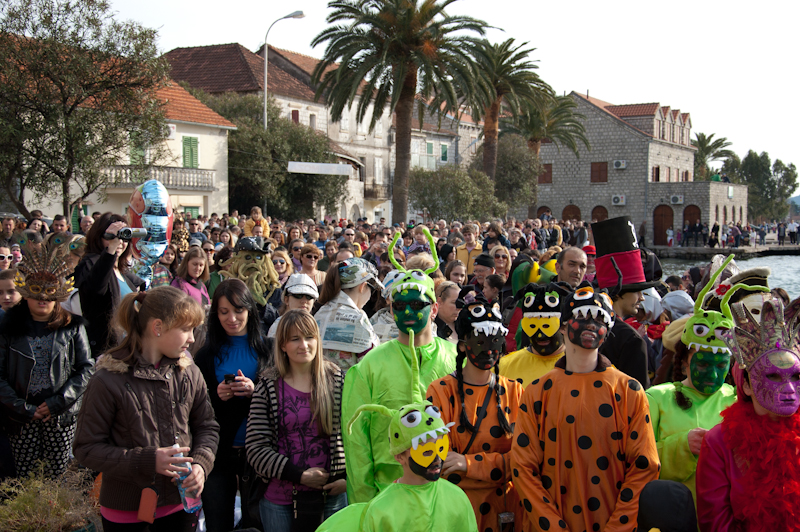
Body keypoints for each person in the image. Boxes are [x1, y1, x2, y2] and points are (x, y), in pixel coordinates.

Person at [510, 281, 660, 532]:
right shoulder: (537, 392)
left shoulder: (629, 390)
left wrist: (617, 528)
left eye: (599, 319)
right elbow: (523, 468)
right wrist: (553, 527)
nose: (591, 325)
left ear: (608, 329)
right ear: (564, 325)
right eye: (583, 316)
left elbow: (644, 466)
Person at [73, 287, 218, 532]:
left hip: (181, 507)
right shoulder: (107, 380)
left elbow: (207, 427)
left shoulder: (189, 373)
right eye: (185, 329)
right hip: (127, 512)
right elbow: (86, 448)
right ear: (157, 327)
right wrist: (147, 460)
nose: (192, 339)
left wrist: (201, 464)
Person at [342, 228, 457, 503]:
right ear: (391, 309)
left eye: (417, 304)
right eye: (400, 304)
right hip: (386, 499)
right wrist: (365, 506)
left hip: (445, 497)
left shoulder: (455, 359)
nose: (408, 311)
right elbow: (356, 442)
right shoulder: (369, 366)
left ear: (434, 309)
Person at [696, 296, 800, 531]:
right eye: (773, 376)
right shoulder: (719, 442)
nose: (789, 388)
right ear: (746, 385)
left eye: (797, 376)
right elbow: (716, 523)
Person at [646, 259, 738, 515]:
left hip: (724, 518)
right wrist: (683, 445)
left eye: (721, 365)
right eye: (704, 364)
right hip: (672, 516)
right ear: (685, 362)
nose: (713, 374)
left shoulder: (738, 401)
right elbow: (637, 460)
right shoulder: (656, 398)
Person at [0, 237, 93, 478]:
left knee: (57, 478)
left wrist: (57, 402)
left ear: (59, 294)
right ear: (25, 292)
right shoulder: (7, 328)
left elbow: (85, 369)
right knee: (25, 480)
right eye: (36, 290)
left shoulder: (73, 327)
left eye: (50, 291)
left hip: (60, 417)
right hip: (20, 419)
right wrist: (22, 408)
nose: (43, 298)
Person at [427, 296, 523, 531]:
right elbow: (440, 459)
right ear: (462, 345)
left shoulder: (515, 391)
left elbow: (523, 459)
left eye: (495, 340)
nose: (488, 349)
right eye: (480, 340)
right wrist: (496, 464)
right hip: (456, 508)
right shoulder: (441, 391)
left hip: (503, 510)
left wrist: (467, 463)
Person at [246, 310, 347, 530]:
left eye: (309, 337)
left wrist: (347, 479)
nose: (304, 345)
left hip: (332, 496)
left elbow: (356, 435)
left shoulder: (338, 380)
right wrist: (299, 475)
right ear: (283, 345)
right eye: (295, 339)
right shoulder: (267, 386)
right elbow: (255, 448)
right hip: (280, 500)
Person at [321, 400, 478, 532]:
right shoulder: (381, 510)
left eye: (441, 448)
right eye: (426, 452)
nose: (437, 459)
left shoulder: (458, 498)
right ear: (399, 456)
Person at [194, 279, 271, 531]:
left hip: (258, 453)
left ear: (249, 310)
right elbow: (196, 407)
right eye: (224, 312)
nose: (232, 319)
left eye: (238, 310)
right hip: (218, 453)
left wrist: (255, 391)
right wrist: (216, 394)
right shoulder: (206, 355)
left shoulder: (268, 350)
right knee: (218, 523)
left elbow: (281, 398)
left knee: (256, 524)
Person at [593, 216, 656, 388]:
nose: (642, 298)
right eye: (637, 291)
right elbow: (639, 395)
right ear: (619, 292)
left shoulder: (581, 324)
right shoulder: (631, 340)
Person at [74, 213, 144, 357]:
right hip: (105, 350)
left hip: (129, 348)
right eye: (110, 236)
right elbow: (95, 288)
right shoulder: (90, 264)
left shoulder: (125, 274)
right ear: (98, 237)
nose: (119, 242)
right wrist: (110, 250)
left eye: (124, 237)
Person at [315, 258, 382, 372]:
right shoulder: (359, 319)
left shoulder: (320, 312)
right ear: (362, 286)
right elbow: (373, 366)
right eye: (372, 290)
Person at [500, 283, 572, 389]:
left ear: (563, 326)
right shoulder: (505, 366)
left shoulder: (578, 367)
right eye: (532, 326)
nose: (540, 335)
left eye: (547, 326)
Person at [268, 273, 319, 338]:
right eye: (298, 296)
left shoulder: (316, 324)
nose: (304, 301)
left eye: (309, 296)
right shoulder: (279, 326)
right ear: (286, 300)